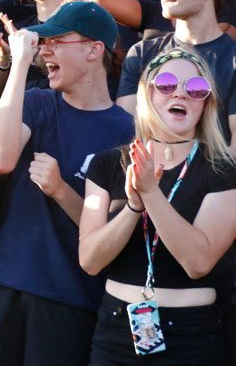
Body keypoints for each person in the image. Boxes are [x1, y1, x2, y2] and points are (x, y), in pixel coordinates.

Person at [0, 1, 135, 366]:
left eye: (58, 40)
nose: (46, 49)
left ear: (94, 50)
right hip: (5, 281)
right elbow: (0, 158)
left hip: (70, 300)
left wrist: (61, 191)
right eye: (45, 42)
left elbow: (111, 240)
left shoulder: (128, 131)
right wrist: (20, 66)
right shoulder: (38, 102)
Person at [81, 48, 236, 365]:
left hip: (191, 335)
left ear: (206, 101)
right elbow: (90, 260)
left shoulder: (223, 171)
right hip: (116, 330)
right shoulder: (108, 164)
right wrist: (133, 207)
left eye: (195, 88)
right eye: (166, 83)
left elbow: (198, 262)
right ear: (147, 93)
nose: (181, 93)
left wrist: (151, 194)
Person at [116, 0, 235, 150]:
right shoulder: (143, 52)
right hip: (148, 171)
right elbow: (129, 135)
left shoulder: (233, 59)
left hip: (217, 179)